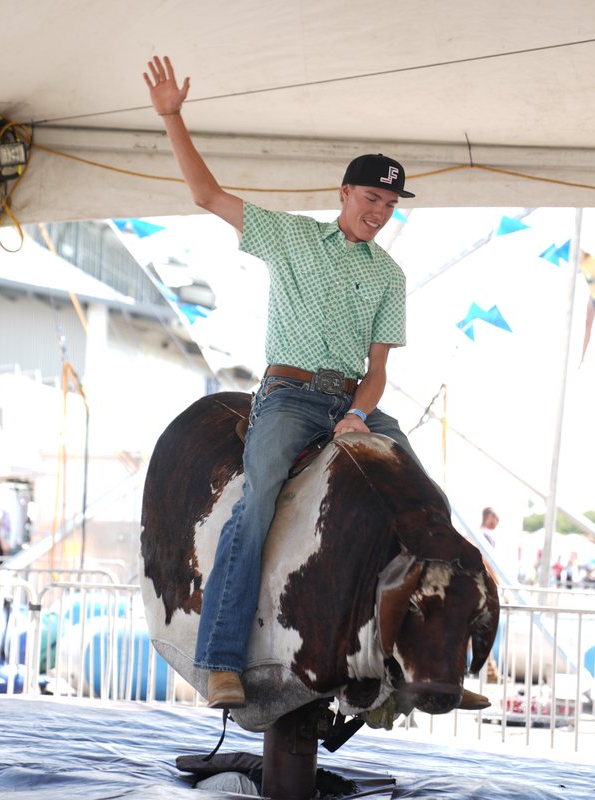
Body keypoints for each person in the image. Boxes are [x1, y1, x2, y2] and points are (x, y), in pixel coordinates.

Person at [143, 55, 481, 711]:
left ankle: (400, 663)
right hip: (290, 396)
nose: (380, 211)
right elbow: (207, 197)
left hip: (353, 400)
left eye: (389, 203)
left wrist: (358, 415)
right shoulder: (290, 238)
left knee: (420, 496)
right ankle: (220, 661)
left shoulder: (390, 277)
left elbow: (378, 369)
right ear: (344, 195)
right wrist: (171, 116)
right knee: (260, 498)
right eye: (371, 198)